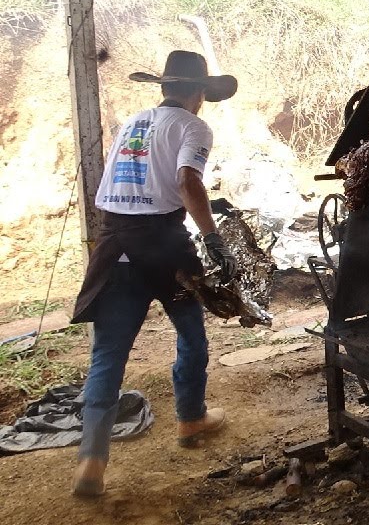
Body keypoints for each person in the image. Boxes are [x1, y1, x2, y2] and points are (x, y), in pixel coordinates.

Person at [69, 51, 240, 497]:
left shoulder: (131, 123)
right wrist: (214, 239)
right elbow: (186, 181)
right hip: (165, 249)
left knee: (108, 354)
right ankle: (190, 419)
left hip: (115, 247)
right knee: (190, 332)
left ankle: (91, 458)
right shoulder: (193, 126)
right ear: (199, 93)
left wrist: (200, 205)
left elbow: (137, 184)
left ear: (164, 88)